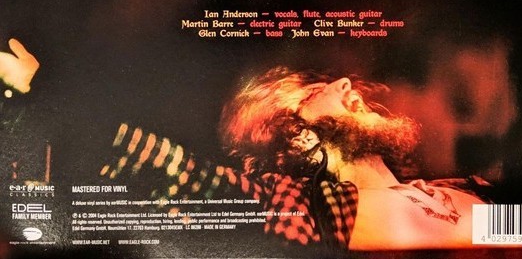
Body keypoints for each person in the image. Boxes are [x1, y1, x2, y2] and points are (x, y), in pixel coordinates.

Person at [101, 67, 491, 251]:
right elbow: (187, 176)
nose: (345, 82)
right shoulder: (306, 209)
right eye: (314, 92)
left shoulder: (465, 186)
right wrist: (79, 120)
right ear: (299, 137)